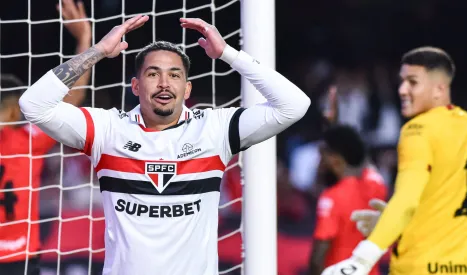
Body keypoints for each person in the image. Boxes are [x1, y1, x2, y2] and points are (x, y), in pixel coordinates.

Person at [18, 14, 310, 275]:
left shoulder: (213, 129)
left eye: (174, 75)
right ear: (135, 86)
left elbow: (294, 105)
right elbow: (33, 104)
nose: (164, 83)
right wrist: (97, 51)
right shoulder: (108, 129)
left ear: (187, 88)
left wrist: (229, 55)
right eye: (153, 73)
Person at [321, 47, 467, 275]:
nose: (402, 90)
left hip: (422, 266)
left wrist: (362, 258)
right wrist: (394, 224)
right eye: (402, 81)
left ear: (439, 88)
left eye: (412, 82)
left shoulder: (417, 130)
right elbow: (464, 208)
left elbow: (407, 200)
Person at [0, 1, 91, 274]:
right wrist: (85, 38)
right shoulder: (28, 140)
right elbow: (72, 100)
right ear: (16, 107)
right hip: (20, 255)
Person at [308, 125, 387, 275]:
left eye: (322, 156)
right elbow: (358, 154)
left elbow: (317, 258)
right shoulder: (376, 185)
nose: (318, 163)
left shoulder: (331, 198)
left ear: (334, 159)